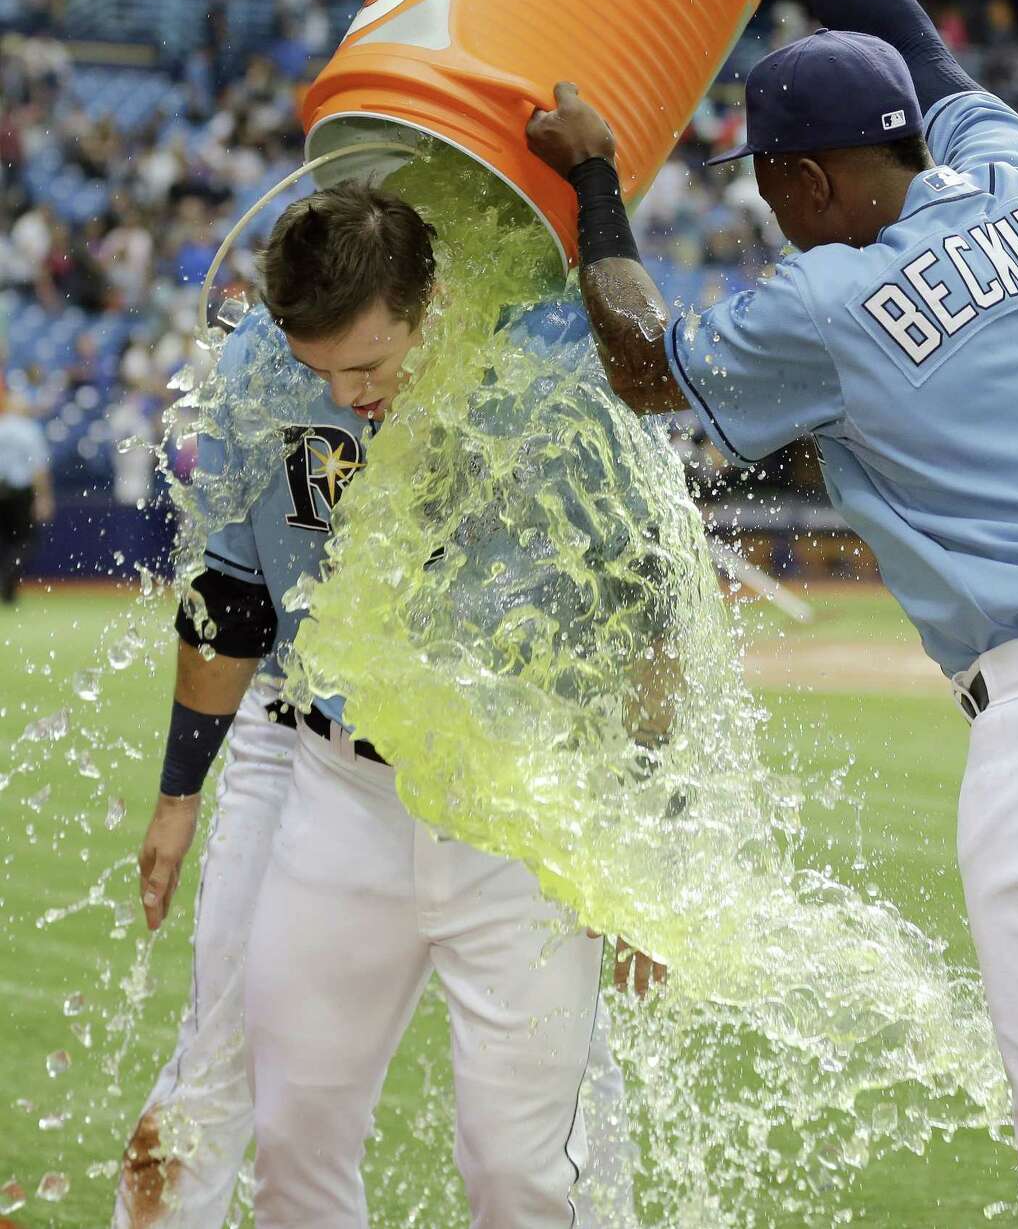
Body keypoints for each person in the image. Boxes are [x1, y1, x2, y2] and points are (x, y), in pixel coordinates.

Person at [526, 0, 1018, 1229]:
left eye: (771, 183)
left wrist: (596, 183)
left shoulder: (830, 302)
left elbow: (643, 363)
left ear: (812, 180)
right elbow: (899, 23)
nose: (768, 210)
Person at [119, 181, 650, 1229]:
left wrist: (639, 833)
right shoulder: (258, 371)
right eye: (322, 369)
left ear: (433, 301)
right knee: (296, 1132)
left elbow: (636, 609)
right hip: (337, 773)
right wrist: (179, 795)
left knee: (524, 1170)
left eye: (367, 364)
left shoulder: (539, 365)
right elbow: (230, 598)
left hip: (515, 798)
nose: (347, 392)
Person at [0, 391, 53, 604]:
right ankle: (7, 582)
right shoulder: (30, 430)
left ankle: (6, 583)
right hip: (20, 492)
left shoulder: (1, 427)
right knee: (25, 541)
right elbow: (38, 468)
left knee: (3, 540)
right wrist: (44, 497)